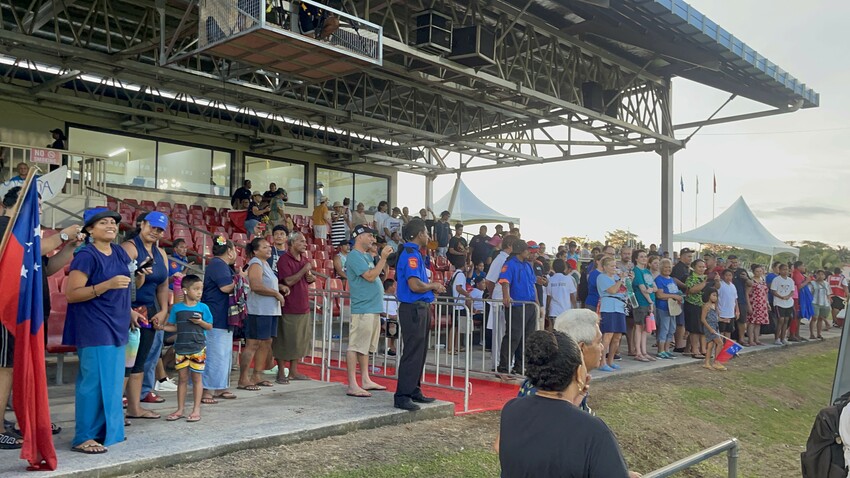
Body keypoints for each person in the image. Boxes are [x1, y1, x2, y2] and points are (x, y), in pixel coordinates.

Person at [497, 330, 631, 477]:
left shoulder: (512, 410)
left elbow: (543, 449)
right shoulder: (594, 431)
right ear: (579, 372)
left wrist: (575, 400)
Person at [63, 208, 134, 454]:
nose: (111, 226)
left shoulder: (118, 252)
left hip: (117, 323)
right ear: (90, 229)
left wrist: (131, 312)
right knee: (93, 382)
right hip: (94, 325)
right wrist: (107, 285)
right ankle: (84, 436)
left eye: (113, 222)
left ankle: (108, 432)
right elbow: (72, 294)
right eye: (103, 222)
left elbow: (123, 287)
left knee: (113, 381)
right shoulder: (85, 255)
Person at [393, 219, 445, 411]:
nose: (428, 236)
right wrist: (434, 286)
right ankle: (402, 395)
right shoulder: (410, 255)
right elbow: (414, 285)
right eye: (426, 232)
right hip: (413, 307)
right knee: (413, 352)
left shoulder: (415, 254)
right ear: (419, 234)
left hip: (420, 307)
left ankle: (414, 389)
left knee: (420, 351)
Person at [122, 211, 170, 418]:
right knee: (124, 364)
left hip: (149, 311)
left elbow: (163, 285)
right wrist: (129, 311)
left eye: (160, 230)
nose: (155, 232)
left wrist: (164, 310)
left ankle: (135, 407)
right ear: (142, 224)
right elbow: (121, 283)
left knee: (140, 361)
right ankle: (114, 410)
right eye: (152, 227)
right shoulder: (130, 248)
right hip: (128, 310)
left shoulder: (161, 254)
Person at [344, 225, 392, 397]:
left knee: (364, 347)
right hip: (363, 307)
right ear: (359, 237)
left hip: (372, 307)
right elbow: (371, 277)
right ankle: (352, 384)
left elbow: (376, 276)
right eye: (370, 236)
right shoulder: (354, 256)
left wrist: (381, 260)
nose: (373, 239)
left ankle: (365, 379)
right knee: (355, 345)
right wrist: (383, 259)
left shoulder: (365, 256)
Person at [160, 275, 212, 422]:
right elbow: (174, 326)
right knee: (182, 379)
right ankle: (180, 409)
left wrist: (201, 322)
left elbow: (209, 326)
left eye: (201, 289)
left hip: (198, 347)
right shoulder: (177, 308)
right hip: (181, 348)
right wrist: (161, 327)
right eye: (195, 289)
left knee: (197, 378)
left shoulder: (203, 308)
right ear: (185, 290)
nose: (199, 292)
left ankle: (196, 409)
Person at [239, 238, 287, 391]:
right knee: (253, 344)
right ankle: (243, 378)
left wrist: (280, 287)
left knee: (266, 343)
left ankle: (257, 375)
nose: (269, 249)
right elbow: (256, 286)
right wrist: (276, 294)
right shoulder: (255, 263)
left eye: (269, 246)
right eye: (265, 247)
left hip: (270, 311)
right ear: (255, 250)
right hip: (258, 311)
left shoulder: (265, 264)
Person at [201, 237, 239, 403]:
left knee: (223, 354)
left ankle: (220, 387)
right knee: (215, 353)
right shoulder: (218, 265)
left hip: (223, 315)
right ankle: (207, 390)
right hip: (215, 315)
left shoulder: (223, 266)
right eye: (234, 249)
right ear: (229, 251)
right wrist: (241, 278)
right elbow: (225, 287)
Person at [275, 232, 315, 383]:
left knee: (299, 341)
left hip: (303, 305)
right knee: (284, 340)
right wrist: (304, 270)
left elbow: (307, 278)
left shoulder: (304, 259)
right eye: (302, 241)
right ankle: (281, 371)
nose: (305, 244)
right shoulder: (284, 260)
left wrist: (311, 278)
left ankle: (293, 371)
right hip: (289, 305)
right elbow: (288, 281)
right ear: (292, 243)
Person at [497, 240, 538, 375]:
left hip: (530, 305)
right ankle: (504, 366)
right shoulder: (510, 265)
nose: (529, 252)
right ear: (521, 251)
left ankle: (520, 366)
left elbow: (533, 284)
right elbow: (505, 281)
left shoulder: (528, 265)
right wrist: (506, 296)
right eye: (527, 250)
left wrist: (537, 303)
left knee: (527, 337)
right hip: (517, 306)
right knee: (514, 336)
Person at [485, 235, 517, 369]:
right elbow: (490, 280)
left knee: (506, 332)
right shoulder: (500, 259)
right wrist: (493, 295)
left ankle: (507, 362)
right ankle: (497, 363)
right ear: (510, 245)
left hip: (506, 299)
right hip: (499, 299)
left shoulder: (509, 260)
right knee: (499, 333)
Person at [597, 257, 627, 372]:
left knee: (617, 336)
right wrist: (621, 280)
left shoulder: (616, 277)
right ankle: (602, 361)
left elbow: (625, 291)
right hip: (608, 307)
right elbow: (613, 290)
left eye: (615, 266)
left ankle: (610, 360)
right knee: (608, 334)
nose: (614, 268)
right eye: (611, 266)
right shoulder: (602, 277)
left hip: (619, 307)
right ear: (605, 267)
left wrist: (627, 281)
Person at [631, 249, 656, 362]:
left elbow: (654, 287)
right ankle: (638, 352)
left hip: (649, 301)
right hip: (641, 302)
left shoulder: (647, 271)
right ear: (636, 258)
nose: (644, 258)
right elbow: (642, 288)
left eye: (645, 256)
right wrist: (649, 300)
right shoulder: (636, 270)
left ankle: (644, 351)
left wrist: (651, 292)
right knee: (639, 327)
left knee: (646, 329)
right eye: (641, 256)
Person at [654, 258, 683, 359]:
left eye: (669, 267)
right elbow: (660, 295)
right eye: (665, 267)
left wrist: (679, 296)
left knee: (672, 329)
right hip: (663, 308)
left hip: (673, 308)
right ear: (661, 268)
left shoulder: (671, 279)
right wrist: (674, 296)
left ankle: (667, 349)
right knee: (664, 328)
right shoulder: (659, 279)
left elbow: (675, 292)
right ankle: (660, 350)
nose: (667, 269)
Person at [684, 259, 709, 359]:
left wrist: (716, 281)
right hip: (692, 304)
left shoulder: (705, 277)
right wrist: (704, 283)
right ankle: (695, 350)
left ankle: (688, 348)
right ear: (694, 267)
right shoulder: (690, 278)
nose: (702, 269)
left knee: (700, 328)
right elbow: (691, 290)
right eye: (700, 267)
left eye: (703, 267)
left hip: (703, 306)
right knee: (694, 329)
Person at [545, 259, 577, 330]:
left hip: (553, 311)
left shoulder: (550, 280)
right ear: (564, 267)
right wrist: (575, 308)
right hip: (565, 311)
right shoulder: (568, 279)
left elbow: (549, 297)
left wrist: (547, 309)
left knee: (554, 331)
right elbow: (572, 296)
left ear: (553, 268)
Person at [700, 287, 726, 371]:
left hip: (715, 326)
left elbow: (715, 318)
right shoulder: (706, 306)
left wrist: (723, 320)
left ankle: (707, 363)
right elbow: (703, 319)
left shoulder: (715, 306)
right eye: (713, 295)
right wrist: (710, 328)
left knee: (710, 344)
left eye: (716, 296)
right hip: (710, 327)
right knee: (720, 343)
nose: (715, 297)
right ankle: (716, 362)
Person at [728, 255, 751, 344]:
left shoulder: (742, 271)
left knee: (742, 320)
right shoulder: (726, 271)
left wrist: (745, 278)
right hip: (728, 299)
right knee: (728, 320)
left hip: (741, 298)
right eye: (732, 262)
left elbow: (750, 284)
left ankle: (741, 339)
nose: (734, 264)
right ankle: (727, 340)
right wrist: (726, 267)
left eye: (735, 262)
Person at [771, 263, 795, 346]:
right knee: (780, 320)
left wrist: (788, 296)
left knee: (786, 320)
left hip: (788, 303)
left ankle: (783, 337)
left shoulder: (790, 280)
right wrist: (781, 296)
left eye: (787, 269)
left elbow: (792, 291)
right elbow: (773, 291)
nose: (785, 271)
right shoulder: (776, 280)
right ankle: (776, 338)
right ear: (780, 270)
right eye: (783, 269)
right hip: (779, 303)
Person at [747, 264, 769, 346]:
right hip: (754, 303)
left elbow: (765, 293)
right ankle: (751, 340)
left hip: (762, 303)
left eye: (760, 271)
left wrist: (767, 303)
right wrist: (749, 305)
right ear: (753, 272)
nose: (759, 273)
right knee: (752, 322)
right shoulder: (752, 281)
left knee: (758, 322)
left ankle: (757, 339)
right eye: (757, 271)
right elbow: (747, 293)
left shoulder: (762, 280)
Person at [793, 261, 814, 342]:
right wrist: (807, 281)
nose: (804, 267)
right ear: (799, 266)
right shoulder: (796, 274)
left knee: (799, 317)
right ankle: (794, 334)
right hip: (798, 297)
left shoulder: (800, 274)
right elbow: (799, 286)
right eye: (803, 266)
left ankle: (797, 334)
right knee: (797, 316)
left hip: (801, 297)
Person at [717, 269, 739, 340]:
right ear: (723, 276)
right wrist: (717, 310)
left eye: (730, 275)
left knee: (728, 331)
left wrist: (737, 310)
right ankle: (720, 347)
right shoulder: (720, 285)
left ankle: (726, 348)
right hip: (722, 312)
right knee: (721, 331)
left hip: (731, 313)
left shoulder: (733, 286)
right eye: (726, 275)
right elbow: (716, 298)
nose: (728, 277)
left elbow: (735, 299)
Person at [811, 270, 830, 341]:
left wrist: (828, 301)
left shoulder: (826, 284)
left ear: (824, 276)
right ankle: (812, 334)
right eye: (819, 274)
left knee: (820, 319)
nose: (820, 276)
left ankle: (819, 333)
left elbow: (828, 293)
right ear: (816, 275)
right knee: (814, 318)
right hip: (814, 302)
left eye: (822, 274)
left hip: (824, 303)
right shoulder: (812, 283)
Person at [382, 279, 398, 356]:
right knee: (391, 325)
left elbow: (396, 310)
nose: (395, 288)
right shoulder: (381, 297)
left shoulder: (394, 298)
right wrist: (390, 316)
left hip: (394, 318)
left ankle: (392, 346)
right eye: (394, 286)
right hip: (384, 318)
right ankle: (389, 347)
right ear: (390, 287)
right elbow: (379, 311)